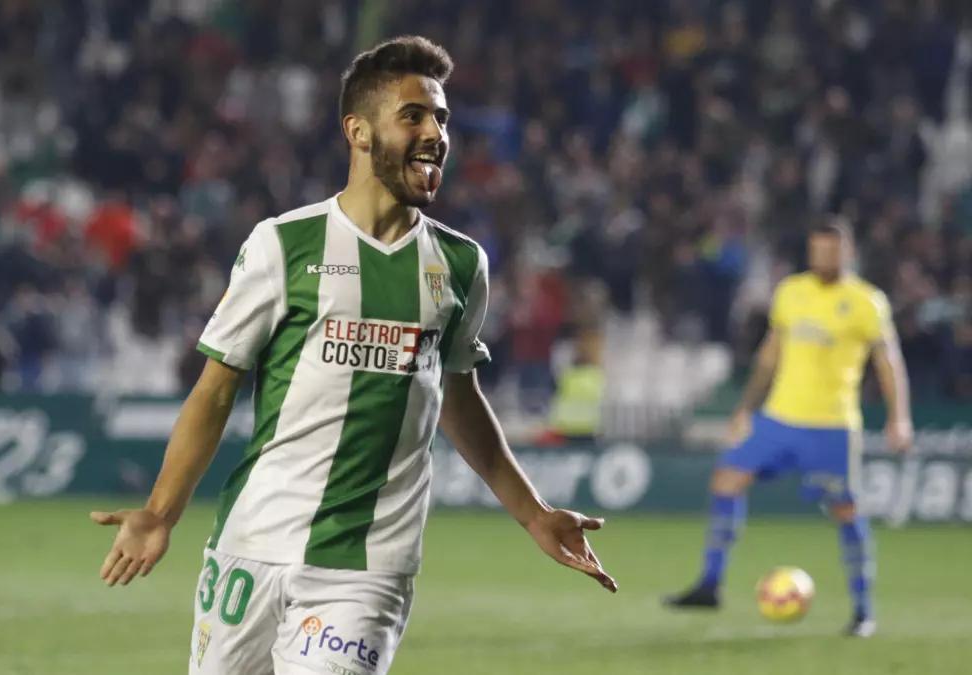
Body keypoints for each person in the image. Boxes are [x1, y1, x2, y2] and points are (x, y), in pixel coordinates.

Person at [90, 35, 617, 674]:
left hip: (368, 567)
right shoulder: (284, 245)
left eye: (442, 118)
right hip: (251, 544)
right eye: (414, 116)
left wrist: (533, 514)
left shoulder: (460, 264)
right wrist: (159, 513)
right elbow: (215, 389)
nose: (436, 134)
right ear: (358, 131)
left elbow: (456, 394)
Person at [664, 220, 913, 637]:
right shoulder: (791, 293)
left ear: (848, 253)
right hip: (778, 418)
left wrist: (898, 417)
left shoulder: (866, 302)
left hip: (832, 425)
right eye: (817, 250)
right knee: (727, 478)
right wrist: (746, 408)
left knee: (845, 510)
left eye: (832, 251)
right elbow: (770, 355)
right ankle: (710, 584)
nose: (823, 258)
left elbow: (889, 362)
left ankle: (863, 610)